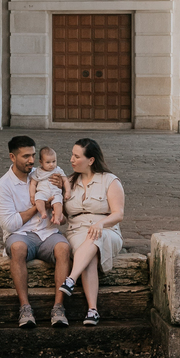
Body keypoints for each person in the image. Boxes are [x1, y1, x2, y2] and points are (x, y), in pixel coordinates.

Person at [0, 135, 74, 328]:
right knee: (17, 248)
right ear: (12, 157)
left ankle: (58, 307)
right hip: (21, 235)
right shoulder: (3, 186)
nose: (31, 161)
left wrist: (61, 190)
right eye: (25, 156)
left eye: (33, 155)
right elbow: (10, 225)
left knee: (64, 248)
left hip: (47, 233)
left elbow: (64, 211)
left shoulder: (44, 173)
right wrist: (38, 207)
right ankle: (25, 308)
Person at [59, 138, 125, 327]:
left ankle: (71, 279)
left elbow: (118, 214)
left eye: (76, 156)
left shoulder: (110, 181)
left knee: (95, 238)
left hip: (107, 231)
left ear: (91, 160)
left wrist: (101, 224)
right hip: (77, 231)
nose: (71, 159)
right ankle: (92, 310)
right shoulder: (69, 182)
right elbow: (63, 217)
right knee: (89, 255)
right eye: (72, 155)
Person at [29, 146, 68, 226]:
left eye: (54, 161)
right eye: (48, 162)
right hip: (42, 192)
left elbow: (65, 180)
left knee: (58, 203)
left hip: (55, 192)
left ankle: (57, 218)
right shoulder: (38, 171)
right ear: (41, 162)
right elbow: (33, 184)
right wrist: (32, 195)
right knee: (38, 200)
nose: (51, 164)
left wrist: (67, 191)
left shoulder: (58, 170)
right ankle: (43, 212)